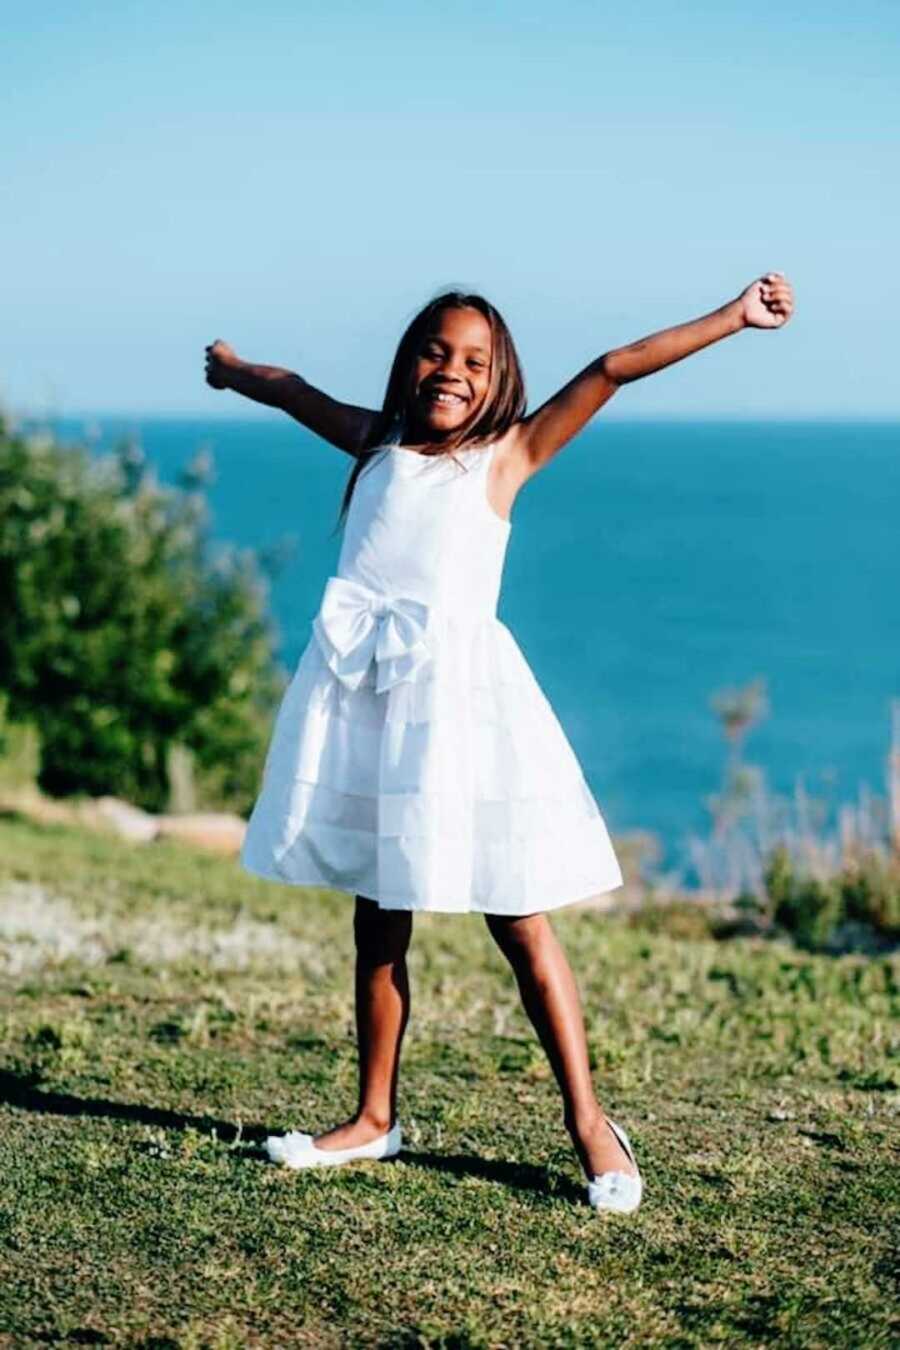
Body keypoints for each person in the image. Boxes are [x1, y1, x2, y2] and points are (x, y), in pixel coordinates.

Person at [204, 272, 795, 1214]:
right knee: (378, 915)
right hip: (373, 702)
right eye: (437, 351)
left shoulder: (508, 456)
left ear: (500, 378)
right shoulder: (376, 443)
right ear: (409, 362)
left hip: (464, 714)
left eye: (475, 361)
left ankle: (592, 1124)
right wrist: (234, 371)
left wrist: (735, 317)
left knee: (517, 918)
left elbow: (610, 369)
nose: (452, 370)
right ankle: (372, 1119)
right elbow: (293, 389)